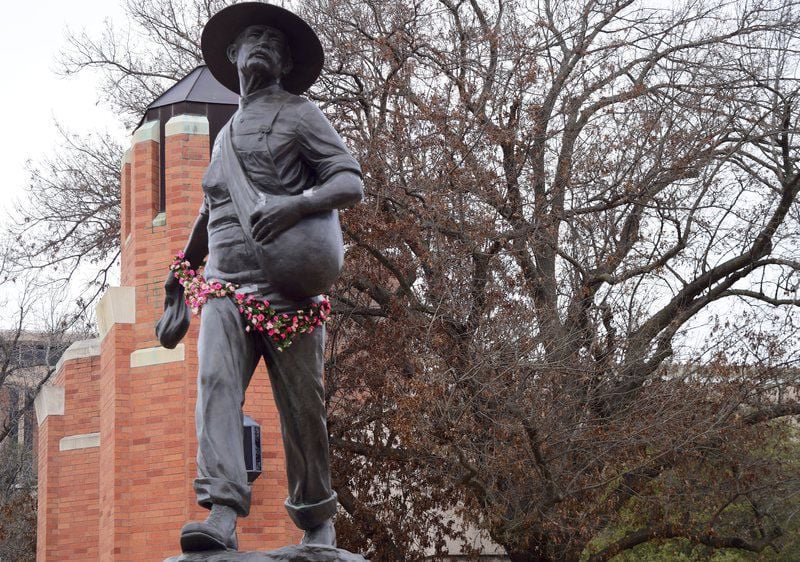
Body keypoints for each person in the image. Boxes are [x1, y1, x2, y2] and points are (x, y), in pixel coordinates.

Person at [158, 2, 363, 552]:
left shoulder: (300, 115)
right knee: (216, 386)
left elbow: (349, 181)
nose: (264, 45)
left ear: (286, 62)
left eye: (276, 42)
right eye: (254, 37)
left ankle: (317, 519)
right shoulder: (223, 140)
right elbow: (209, 212)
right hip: (225, 284)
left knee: (303, 409)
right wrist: (180, 275)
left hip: (288, 287)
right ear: (233, 54)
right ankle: (222, 510)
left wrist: (298, 205)